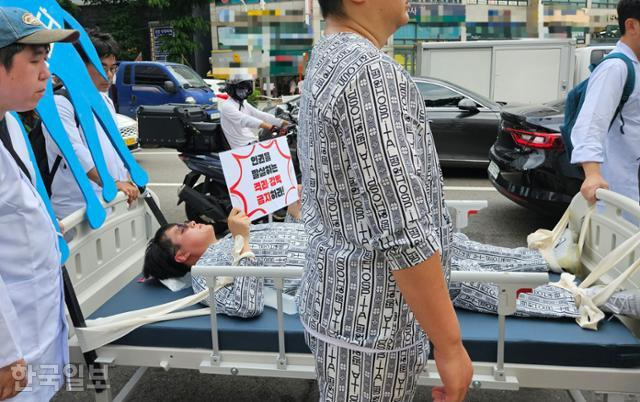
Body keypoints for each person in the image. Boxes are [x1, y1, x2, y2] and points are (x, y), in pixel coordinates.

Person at [297, 1, 473, 401]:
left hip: (339, 310)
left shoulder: (326, 56)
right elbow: (403, 230)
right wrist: (449, 345)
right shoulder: (368, 72)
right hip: (373, 323)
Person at [0, 7, 79, 401]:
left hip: (35, 319)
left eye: (46, 60)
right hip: (11, 339)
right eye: (35, 61)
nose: (47, 73)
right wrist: (3, 354)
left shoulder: (10, 121)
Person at [142, 204, 305, 317]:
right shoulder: (204, 275)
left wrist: (294, 214)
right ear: (182, 255)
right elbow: (245, 307)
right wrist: (242, 241)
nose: (191, 222)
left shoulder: (228, 237)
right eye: (184, 229)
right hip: (324, 270)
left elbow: (284, 245)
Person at [44, 29, 139, 220]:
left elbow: (113, 148)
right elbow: (75, 152)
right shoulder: (61, 102)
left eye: (112, 68)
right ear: (80, 65)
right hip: (78, 208)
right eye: (101, 67)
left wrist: (127, 178)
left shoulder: (104, 101)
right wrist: (111, 183)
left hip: (112, 200)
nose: (109, 75)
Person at [571, 0, 640, 206]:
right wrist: (592, 174)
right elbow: (591, 122)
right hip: (620, 191)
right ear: (632, 25)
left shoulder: (635, 66)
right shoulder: (615, 67)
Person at [219, 74, 289, 149]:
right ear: (232, 89)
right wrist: (271, 127)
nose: (245, 91)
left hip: (252, 142)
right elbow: (245, 120)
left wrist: (282, 122)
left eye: (246, 88)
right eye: (241, 88)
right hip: (241, 148)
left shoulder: (242, 103)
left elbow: (260, 115)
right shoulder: (227, 106)